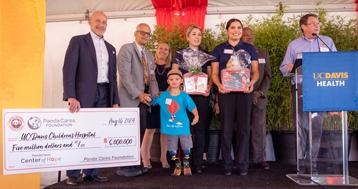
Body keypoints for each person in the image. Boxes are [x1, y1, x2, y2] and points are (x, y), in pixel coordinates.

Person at [62, 11, 119, 186]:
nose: (101, 24)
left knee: (97, 134)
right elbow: (69, 69)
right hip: (82, 94)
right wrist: (71, 95)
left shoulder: (111, 48)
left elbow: (113, 76)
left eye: (104, 22)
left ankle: (91, 173)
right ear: (89, 22)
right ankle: (72, 174)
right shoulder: (78, 41)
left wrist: (115, 101)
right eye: (98, 21)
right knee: (78, 133)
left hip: (104, 93)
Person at [280, 13, 337, 174]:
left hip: (320, 88)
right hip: (301, 89)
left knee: (316, 128)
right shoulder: (294, 45)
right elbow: (284, 69)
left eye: (318, 23)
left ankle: (311, 162)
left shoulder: (327, 42)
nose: (316, 26)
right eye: (312, 23)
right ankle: (300, 162)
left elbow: (336, 63)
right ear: (303, 27)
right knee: (302, 126)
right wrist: (289, 68)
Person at [211, 18, 259, 176]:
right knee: (226, 129)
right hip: (226, 93)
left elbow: (255, 71)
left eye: (239, 27)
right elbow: (214, 73)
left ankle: (242, 165)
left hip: (245, 92)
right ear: (227, 31)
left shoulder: (249, 48)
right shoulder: (218, 49)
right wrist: (219, 86)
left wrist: (251, 82)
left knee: (244, 129)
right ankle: (226, 165)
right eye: (233, 27)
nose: (236, 30)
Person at [116, 23, 159, 176]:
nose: (145, 35)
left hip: (144, 101)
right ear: (135, 33)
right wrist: (139, 94)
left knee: (140, 131)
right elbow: (125, 76)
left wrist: (155, 94)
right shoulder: (126, 49)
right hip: (131, 99)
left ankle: (134, 162)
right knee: (128, 133)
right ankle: (124, 166)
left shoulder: (149, 55)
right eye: (142, 32)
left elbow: (152, 78)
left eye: (148, 33)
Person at [172, 25, 212, 173]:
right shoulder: (179, 53)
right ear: (187, 37)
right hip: (183, 96)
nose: (197, 37)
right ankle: (184, 162)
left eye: (199, 35)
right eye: (194, 34)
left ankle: (198, 163)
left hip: (201, 96)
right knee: (184, 128)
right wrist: (180, 83)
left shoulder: (206, 54)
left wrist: (209, 86)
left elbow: (210, 75)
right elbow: (174, 72)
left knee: (200, 128)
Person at [151, 69, 199, 176]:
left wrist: (196, 115)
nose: (174, 81)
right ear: (168, 81)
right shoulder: (163, 96)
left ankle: (186, 165)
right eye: (171, 79)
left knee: (187, 148)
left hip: (184, 128)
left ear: (181, 80)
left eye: (177, 79)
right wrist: (150, 96)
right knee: (172, 150)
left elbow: (192, 106)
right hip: (170, 129)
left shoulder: (184, 95)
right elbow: (152, 102)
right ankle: (177, 165)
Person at [241, 27, 272, 169]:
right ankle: (241, 158)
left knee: (259, 128)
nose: (249, 36)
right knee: (242, 128)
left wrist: (259, 92)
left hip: (258, 97)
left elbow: (267, 76)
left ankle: (261, 159)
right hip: (240, 96)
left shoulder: (263, 53)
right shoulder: (236, 53)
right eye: (246, 35)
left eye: (251, 34)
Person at [141, 42, 172, 169]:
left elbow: (175, 82)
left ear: (169, 52)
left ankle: (163, 157)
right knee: (149, 129)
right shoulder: (149, 64)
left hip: (166, 101)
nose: (163, 51)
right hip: (152, 100)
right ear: (156, 50)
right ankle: (145, 157)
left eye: (166, 49)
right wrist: (154, 94)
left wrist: (164, 94)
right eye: (161, 48)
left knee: (165, 130)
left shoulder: (171, 67)